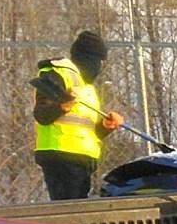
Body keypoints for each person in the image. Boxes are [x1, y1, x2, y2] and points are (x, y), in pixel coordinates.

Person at [30, 30, 123, 200]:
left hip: (82, 159)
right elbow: (41, 114)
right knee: (69, 213)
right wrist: (61, 107)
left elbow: (84, 129)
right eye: (98, 61)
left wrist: (105, 127)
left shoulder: (87, 88)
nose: (99, 67)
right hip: (60, 154)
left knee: (79, 212)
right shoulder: (57, 73)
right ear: (88, 58)